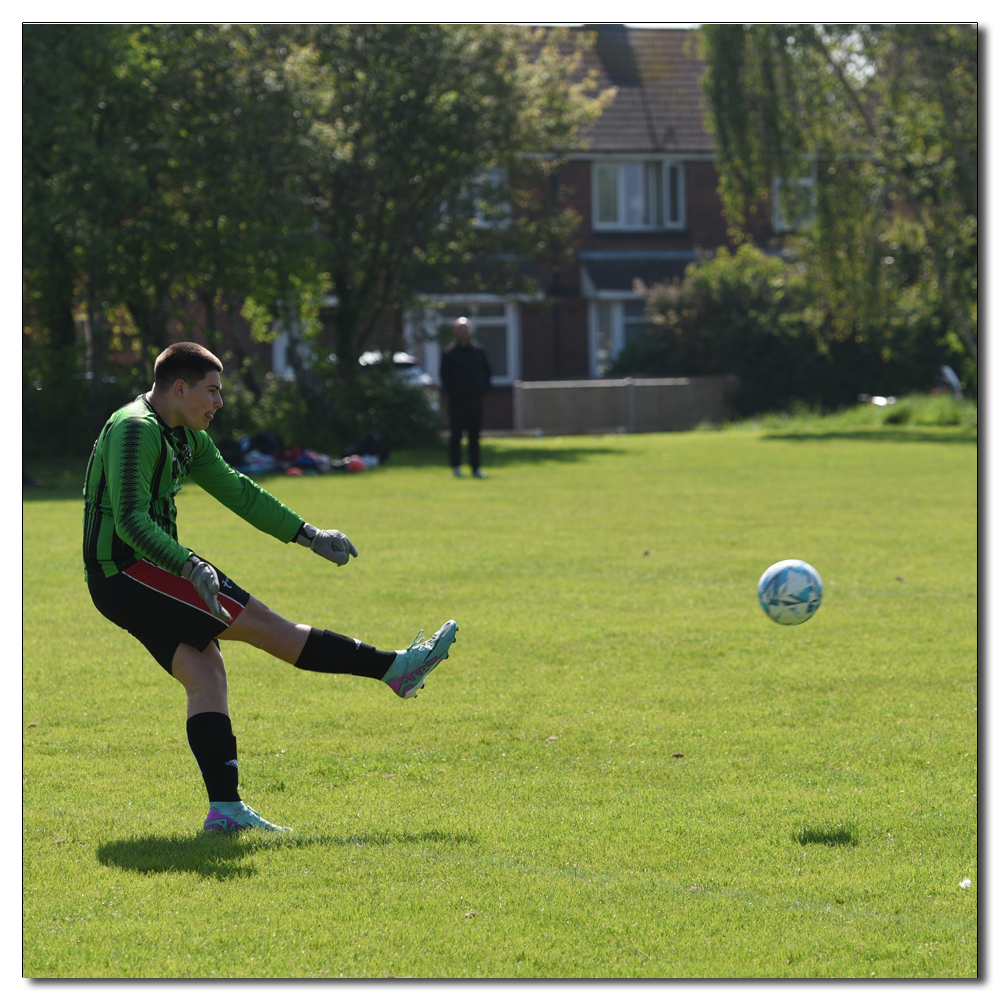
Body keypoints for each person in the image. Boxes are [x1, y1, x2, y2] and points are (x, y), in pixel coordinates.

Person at [83, 342, 458, 834]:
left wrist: (308, 535)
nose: (219, 403)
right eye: (212, 391)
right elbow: (130, 520)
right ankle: (394, 668)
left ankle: (225, 811)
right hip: (128, 569)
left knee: (205, 673)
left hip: (132, 574)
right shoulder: (136, 429)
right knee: (266, 627)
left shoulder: (184, 436)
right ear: (179, 388)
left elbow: (237, 489)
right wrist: (188, 563)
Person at [439, 317, 492, 478]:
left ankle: (475, 468)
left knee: (475, 436)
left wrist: (482, 389)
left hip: (475, 400)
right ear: (455, 331)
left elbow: (487, 372)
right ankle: (456, 467)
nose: (464, 332)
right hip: (457, 402)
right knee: (456, 435)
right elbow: (444, 376)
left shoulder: (478, 351)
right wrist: (454, 391)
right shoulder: (449, 353)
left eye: (466, 329)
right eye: (461, 329)